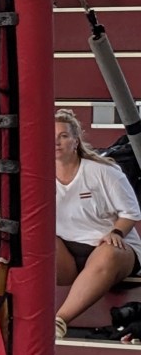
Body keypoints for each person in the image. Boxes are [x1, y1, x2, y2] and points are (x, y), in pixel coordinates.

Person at [52, 109, 141, 337]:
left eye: (63, 136)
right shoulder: (38, 177)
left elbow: (131, 212)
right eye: (51, 137)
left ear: (76, 141)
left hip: (112, 247)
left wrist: (117, 232)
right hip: (68, 255)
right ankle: (12, 316)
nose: (56, 142)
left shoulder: (103, 171)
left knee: (108, 251)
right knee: (29, 244)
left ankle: (58, 321)